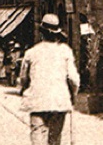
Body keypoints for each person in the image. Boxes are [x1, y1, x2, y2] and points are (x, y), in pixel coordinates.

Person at [19, 14, 80, 145]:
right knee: (55, 139)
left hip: (37, 101)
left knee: (37, 136)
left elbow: (23, 78)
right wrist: (73, 95)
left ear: (42, 33)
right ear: (57, 33)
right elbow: (74, 79)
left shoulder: (31, 53)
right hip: (58, 101)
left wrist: (25, 88)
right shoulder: (65, 51)